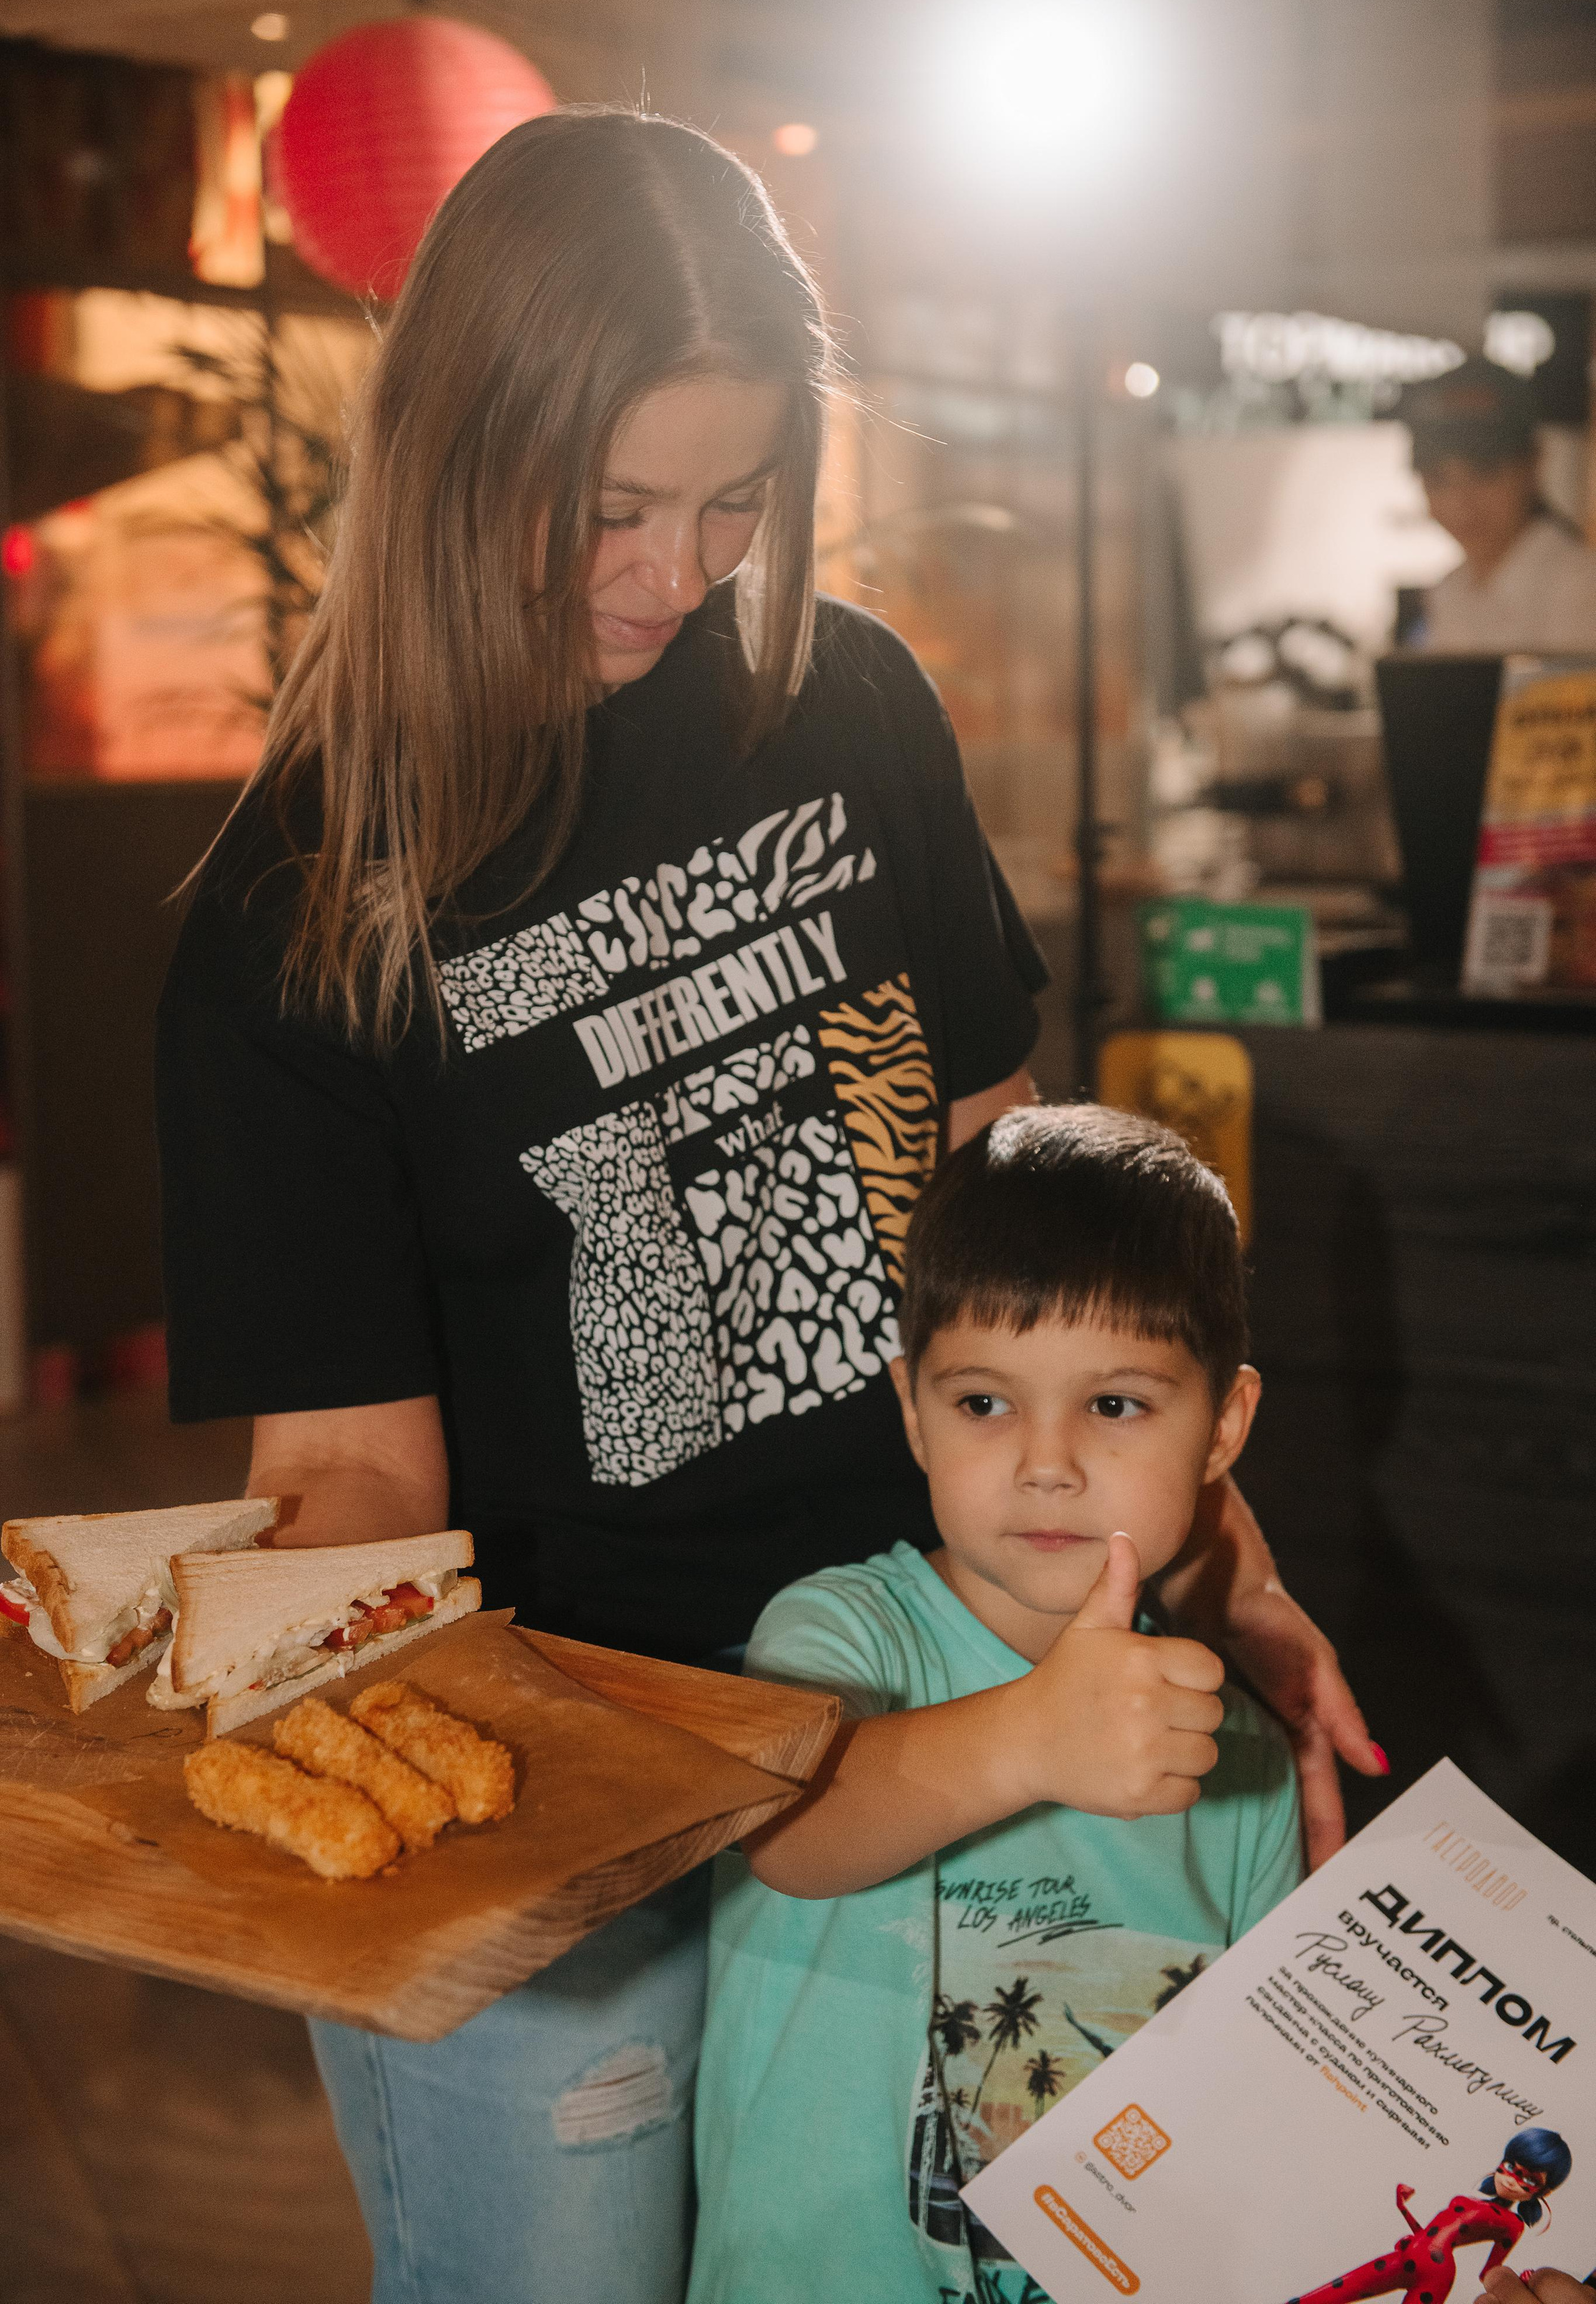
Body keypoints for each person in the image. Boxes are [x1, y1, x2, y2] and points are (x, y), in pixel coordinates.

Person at [156, 110, 1378, 2304]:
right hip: (586, 1821)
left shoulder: (845, 700)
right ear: (455, 446)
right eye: (609, 507)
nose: (669, 572)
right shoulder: (296, 909)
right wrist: (329, 1755)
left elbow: (1015, 1201)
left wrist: (1198, 1554)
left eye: (731, 503)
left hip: (937, 1699)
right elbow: (344, 1468)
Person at [688, 1105, 1305, 2304]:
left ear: (1223, 1425)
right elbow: (790, 1832)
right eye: (984, 1403)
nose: (1046, 1461)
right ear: (911, 1406)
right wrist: (1033, 1737)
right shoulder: (839, 1634)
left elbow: (1254, 2101)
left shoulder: (1242, 1760)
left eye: (1116, 1405)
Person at [1405, 358, 1596, 653]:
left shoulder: (1581, 590)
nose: (1461, 503)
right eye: (1438, 480)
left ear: (1534, 464)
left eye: (1483, 473)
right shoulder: (1451, 593)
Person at [1288, 2127, 1573, 2303]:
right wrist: (1403, 2207)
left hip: (1436, 2274)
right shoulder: (1471, 2200)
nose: (1512, 2180)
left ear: (1543, 2193)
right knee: (1336, 2291)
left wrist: (1524, 2281)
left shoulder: (1512, 2224)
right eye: (1511, 2166)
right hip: (1410, 2254)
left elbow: (1489, 2272)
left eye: (1529, 2180)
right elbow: (1434, 2233)